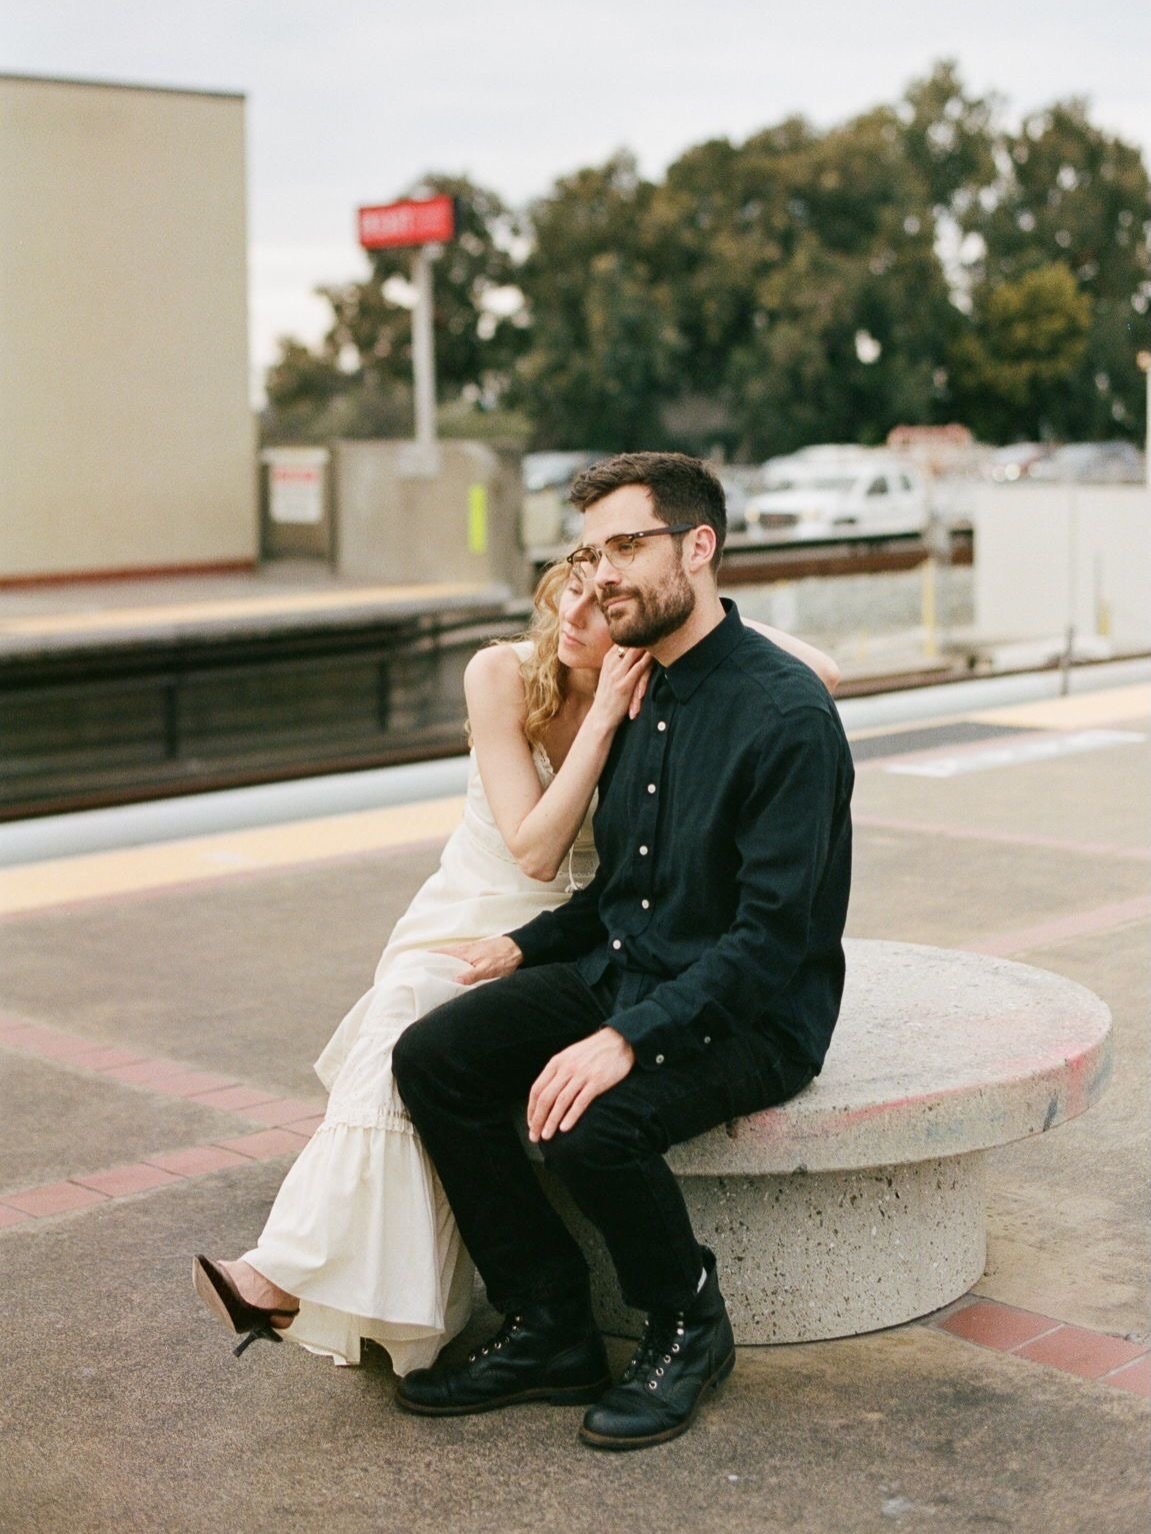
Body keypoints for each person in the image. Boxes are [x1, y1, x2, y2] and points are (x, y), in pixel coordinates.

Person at [193, 545, 840, 1373]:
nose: (574, 620)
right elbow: (532, 850)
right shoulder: (504, 673)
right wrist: (603, 713)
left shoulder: (658, 693)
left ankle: (300, 1274)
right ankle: (334, 1275)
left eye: (604, 609)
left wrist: (691, 607)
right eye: (570, 594)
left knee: (556, 1107)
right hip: (489, 914)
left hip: (590, 927)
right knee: (415, 1029)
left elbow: (816, 672)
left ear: (639, 628)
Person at [390, 451, 854, 1451]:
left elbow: (767, 944)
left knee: (584, 1125)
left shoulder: (784, 716)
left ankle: (686, 1317)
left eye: (627, 546)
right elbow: (619, 894)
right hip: (630, 967)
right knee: (433, 1057)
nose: (601, 574)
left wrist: (625, 1039)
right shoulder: (639, 687)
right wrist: (524, 945)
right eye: (593, 551)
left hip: (752, 1014)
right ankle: (550, 1321)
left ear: (698, 545)